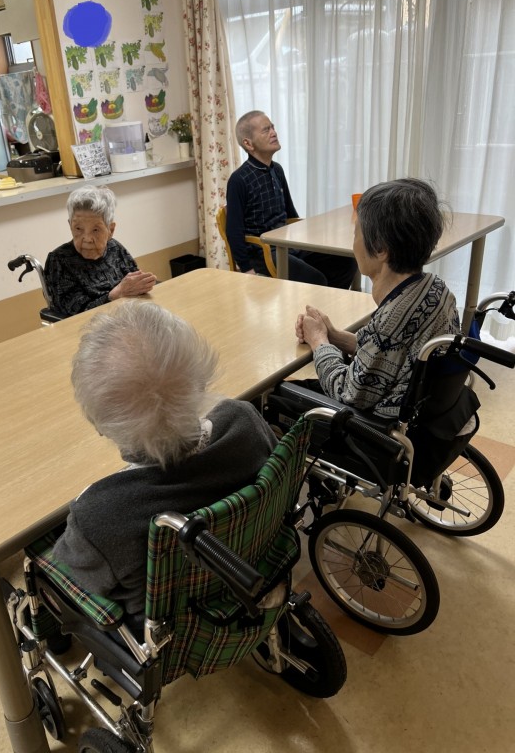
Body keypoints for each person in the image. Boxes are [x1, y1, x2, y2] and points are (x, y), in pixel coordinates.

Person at [52, 301, 277, 623]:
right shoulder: (245, 421)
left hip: (169, 625)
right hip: (250, 563)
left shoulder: (98, 516)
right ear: (201, 383)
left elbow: (73, 567)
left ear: (100, 426)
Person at [294, 178, 463, 417]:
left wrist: (318, 341)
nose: (353, 244)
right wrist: (334, 335)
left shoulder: (393, 321)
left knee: (274, 395)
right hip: (425, 414)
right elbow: (385, 354)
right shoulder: (436, 289)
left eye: (356, 234)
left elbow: (346, 392)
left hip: (375, 426)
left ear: (381, 248)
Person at [225, 110, 357, 289]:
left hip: (287, 245)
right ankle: (317, 303)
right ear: (248, 143)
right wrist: (246, 269)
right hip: (263, 252)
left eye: (273, 127)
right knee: (316, 279)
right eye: (266, 130)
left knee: (346, 262)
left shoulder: (277, 170)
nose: (274, 133)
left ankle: (326, 305)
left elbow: (291, 215)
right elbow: (233, 231)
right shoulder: (239, 180)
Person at [44, 185, 156, 317]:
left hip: (126, 317)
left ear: (110, 230)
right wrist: (115, 295)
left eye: (96, 230)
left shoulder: (115, 248)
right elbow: (74, 313)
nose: (87, 239)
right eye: (78, 228)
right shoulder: (59, 260)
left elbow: (135, 284)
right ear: (70, 226)